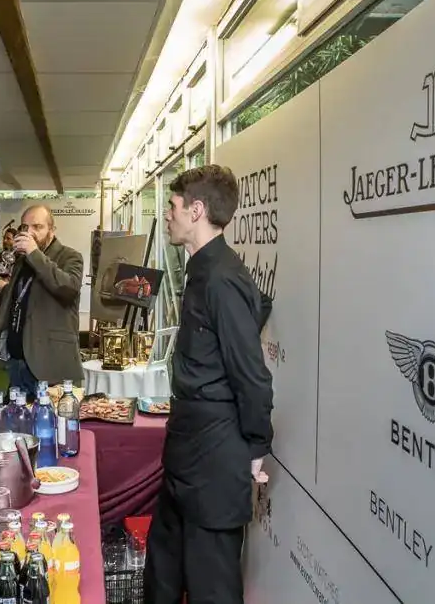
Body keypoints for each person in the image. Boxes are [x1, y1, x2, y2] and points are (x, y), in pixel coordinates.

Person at [144, 165, 274, 604]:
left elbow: (252, 376)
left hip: (215, 459)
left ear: (196, 210)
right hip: (185, 452)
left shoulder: (222, 278)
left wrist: (255, 448)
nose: (167, 215)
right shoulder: (201, 270)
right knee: (162, 572)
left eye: (173, 206)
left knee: (211, 587)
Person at [0, 205, 83, 399]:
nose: (30, 233)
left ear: (52, 230)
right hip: (18, 360)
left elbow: (68, 289)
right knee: (17, 416)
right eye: (25, 227)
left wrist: (34, 253)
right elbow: (28, 296)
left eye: (38, 227)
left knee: (53, 417)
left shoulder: (70, 256)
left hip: (50, 363)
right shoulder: (22, 260)